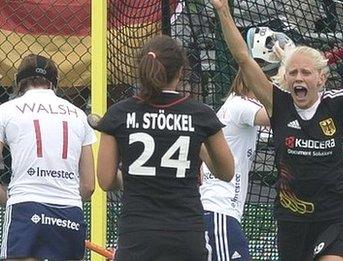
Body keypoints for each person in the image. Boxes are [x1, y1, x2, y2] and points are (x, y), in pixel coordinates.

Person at [211, 0, 343, 259]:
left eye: (306, 73)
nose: (299, 78)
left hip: (335, 217)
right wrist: (223, 11)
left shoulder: (336, 104)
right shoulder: (278, 104)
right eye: (293, 73)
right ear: (285, 77)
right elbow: (243, 58)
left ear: (321, 78)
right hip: (292, 220)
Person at [95, 34, 234, 261]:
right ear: (180, 71)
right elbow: (226, 172)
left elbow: (106, 180)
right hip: (186, 232)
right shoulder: (200, 114)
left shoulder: (119, 114)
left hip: (138, 234)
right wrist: (195, 143)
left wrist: (129, 175)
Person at [0, 54, 96, 260]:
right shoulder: (79, 115)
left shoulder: (5, 111)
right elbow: (88, 186)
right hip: (69, 211)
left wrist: (9, 199)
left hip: (25, 206)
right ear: (55, 82)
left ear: (19, 81)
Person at [200, 68, 270, 260]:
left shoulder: (235, 105)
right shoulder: (240, 105)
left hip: (219, 211)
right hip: (219, 210)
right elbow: (278, 115)